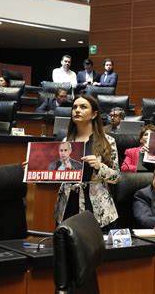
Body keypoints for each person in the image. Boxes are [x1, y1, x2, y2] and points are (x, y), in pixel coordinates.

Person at [53, 95, 120, 230]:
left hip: (97, 206)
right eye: (75, 107)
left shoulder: (108, 141)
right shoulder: (66, 140)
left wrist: (100, 167)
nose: (77, 110)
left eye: (83, 107)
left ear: (94, 114)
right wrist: (34, 169)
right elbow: (56, 172)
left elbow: (116, 177)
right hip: (68, 202)